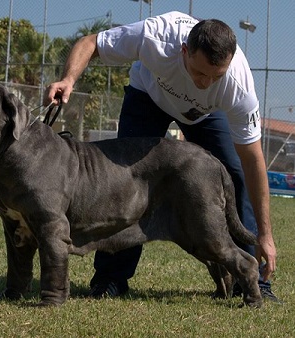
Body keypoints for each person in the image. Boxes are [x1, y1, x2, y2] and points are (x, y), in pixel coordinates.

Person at [44, 11, 280, 302]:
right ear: (184, 51)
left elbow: (254, 163)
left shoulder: (238, 84)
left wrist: (265, 236)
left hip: (204, 115)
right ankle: (110, 279)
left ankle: (253, 282)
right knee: (122, 182)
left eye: (215, 76)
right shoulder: (155, 37)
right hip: (148, 97)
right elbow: (91, 42)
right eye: (200, 73)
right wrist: (68, 78)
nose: (205, 83)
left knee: (234, 173)